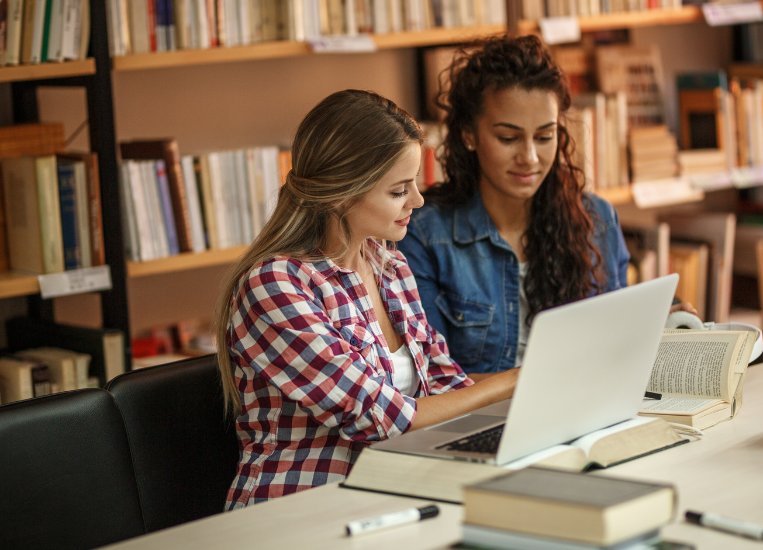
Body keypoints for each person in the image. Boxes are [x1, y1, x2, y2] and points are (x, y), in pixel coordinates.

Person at [214, 89, 518, 510]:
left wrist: (533, 381)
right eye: (398, 190)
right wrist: (510, 382)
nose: (418, 201)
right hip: (300, 511)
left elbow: (447, 386)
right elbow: (379, 417)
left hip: (391, 494)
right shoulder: (274, 285)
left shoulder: (388, 266)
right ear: (341, 193)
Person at [398, 35, 695, 379]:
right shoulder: (424, 234)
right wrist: (534, 383)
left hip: (585, 410)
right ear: (469, 134)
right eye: (508, 138)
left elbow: (614, 341)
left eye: (544, 136)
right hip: (484, 422)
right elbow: (434, 379)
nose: (530, 158)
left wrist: (662, 327)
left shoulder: (595, 220)